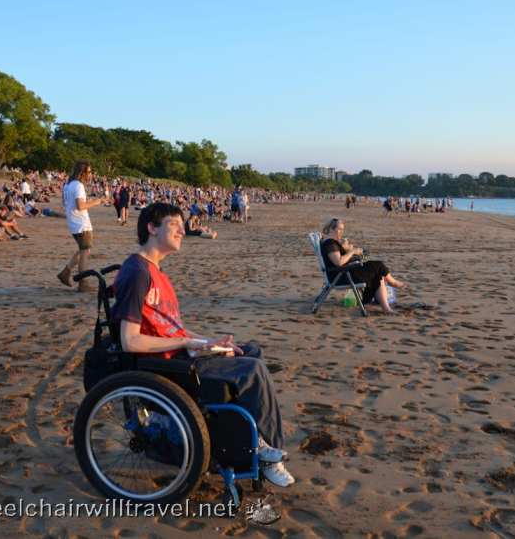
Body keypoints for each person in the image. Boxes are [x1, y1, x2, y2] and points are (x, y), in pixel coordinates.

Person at [111, 202, 294, 487]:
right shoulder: (138, 273)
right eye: (174, 224)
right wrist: (188, 342)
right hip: (169, 366)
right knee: (253, 369)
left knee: (249, 350)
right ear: (152, 228)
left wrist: (207, 342)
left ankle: (248, 440)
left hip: (180, 354)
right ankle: (266, 453)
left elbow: (171, 327)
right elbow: (129, 340)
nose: (183, 230)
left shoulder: (156, 272)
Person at [320, 218, 405, 313]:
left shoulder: (331, 242)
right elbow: (339, 262)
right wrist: (352, 252)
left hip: (345, 273)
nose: (341, 232)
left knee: (378, 275)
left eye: (342, 229)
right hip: (341, 276)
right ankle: (392, 282)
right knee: (378, 265)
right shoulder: (330, 243)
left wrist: (346, 248)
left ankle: (386, 308)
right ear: (331, 229)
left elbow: (339, 257)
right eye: (339, 229)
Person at [58, 160, 102, 292]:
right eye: (89, 172)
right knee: (85, 253)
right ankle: (83, 283)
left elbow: (65, 203)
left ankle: (65, 272)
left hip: (73, 222)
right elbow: (80, 206)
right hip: (81, 223)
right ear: (82, 172)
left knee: (83, 250)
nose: (90, 174)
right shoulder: (78, 186)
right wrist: (96, 202)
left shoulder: (68, 185)